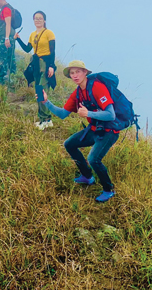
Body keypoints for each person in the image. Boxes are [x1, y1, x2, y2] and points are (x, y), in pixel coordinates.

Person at [43, 61, 118, 203]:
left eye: (78, 72)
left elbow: (111, 115)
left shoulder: (97, 88)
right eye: (72, 73)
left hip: (109, 131)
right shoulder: (77, 93)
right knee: (69, 144)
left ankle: (108, 190)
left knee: (93, 159)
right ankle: (87, 176)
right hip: (95, 129)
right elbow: (63, 114)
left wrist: (88, 113)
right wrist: (46, 102)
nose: (75, 75)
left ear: (85, 73)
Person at [15, 11, 56, 130]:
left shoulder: (49, 33)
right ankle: (45, 119)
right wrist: (18, 39)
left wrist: (52, 66)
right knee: (38, 91)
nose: (38, 20)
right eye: (35, 18)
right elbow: (27, 49)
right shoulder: (33, 34)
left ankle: (46, 120)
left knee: (42, 90)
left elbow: (53, 51)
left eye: (40, 18)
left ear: (44, 20)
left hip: (46, 63)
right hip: (36, 65)